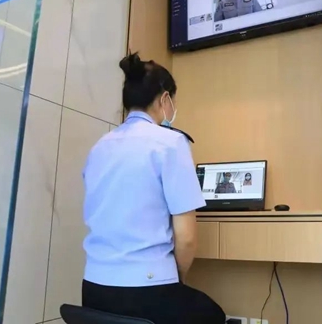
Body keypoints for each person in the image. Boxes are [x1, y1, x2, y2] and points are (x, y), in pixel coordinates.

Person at [81, 52, 225, 324]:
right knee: (214, 315)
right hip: (145, 292)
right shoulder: (170, 143)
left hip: (93, 289)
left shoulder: (99, 147)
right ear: (165, 99)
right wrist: (177, 279)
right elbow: (186, 238)